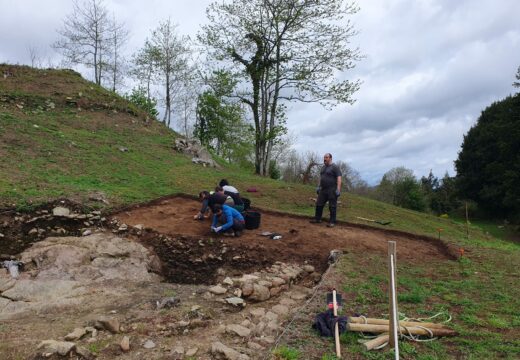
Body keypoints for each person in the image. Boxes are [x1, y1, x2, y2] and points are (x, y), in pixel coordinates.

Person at [310, 153, 342, 227]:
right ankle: (317, 219)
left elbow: (339, 178)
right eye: (324, 157)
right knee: (319, 204)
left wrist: (338, 189)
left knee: (332, 206)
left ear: (330, 158)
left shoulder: (335, 167)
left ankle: (332, 222)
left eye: (326, 157)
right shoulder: (323, 167)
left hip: (332, 190)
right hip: (323, 189)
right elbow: (321, 178)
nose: (325, 159)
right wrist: (318, 186)